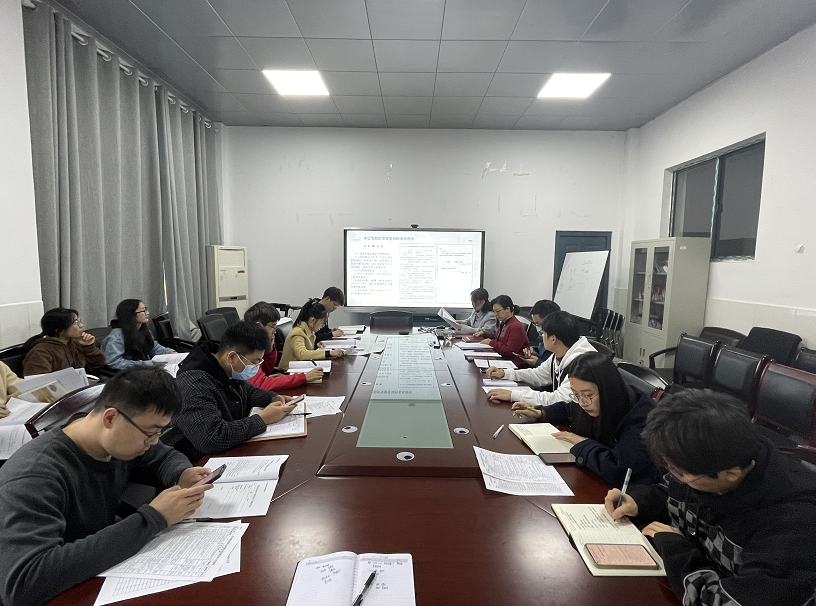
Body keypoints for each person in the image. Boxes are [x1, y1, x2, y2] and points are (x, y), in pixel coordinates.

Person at [0, 367, 214, 606]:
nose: (153, 442)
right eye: (150, 434)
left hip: (99, 574)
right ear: (110, 418)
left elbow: (164, 456)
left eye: (159, 433)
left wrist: (181, 473)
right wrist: (153, 518)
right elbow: (22, 583)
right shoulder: (34, 476)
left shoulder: (118, 438)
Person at [604, 390, 816, 606]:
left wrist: (676, 550)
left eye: (679, 472)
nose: (673, 475)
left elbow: (725, 602)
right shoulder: (706, 459)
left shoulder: (793, 526)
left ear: (731, 474)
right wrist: (639, 501)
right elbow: (671, 490)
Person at [510, 353, 660, 486]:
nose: (582, 403)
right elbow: (569, 409)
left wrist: (581, 443)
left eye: (587, 395)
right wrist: (540, 412)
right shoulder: (598, 401)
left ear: (608, 389)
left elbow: (618, 469)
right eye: (576, 395)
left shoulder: (641, 417)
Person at [162, 321, 296, 462]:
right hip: (192, 461)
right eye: (254, 362)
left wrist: (272, 398)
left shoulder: (225, 368)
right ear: (231, 356)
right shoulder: (194, 384)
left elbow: (248, 392)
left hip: (225, 452)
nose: (256, 367)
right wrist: (262, 419)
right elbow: (211, 438)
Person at [485, 311, 596, 406]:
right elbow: (538, 375)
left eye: (542, 333)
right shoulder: (561, 353)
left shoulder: (583, 363)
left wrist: (513, 395)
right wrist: (505, 373)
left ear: (553, 339)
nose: (541, 336)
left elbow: (559, 399)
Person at [244, 301, 323, 390]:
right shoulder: (246, 348)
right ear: (259, 325)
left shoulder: (258, 343)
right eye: (273, 326)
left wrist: (270, 350)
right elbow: (262, 384)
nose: (275, 331)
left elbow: (267, 371)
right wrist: (303, 377)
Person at [22, 308, 107, 377]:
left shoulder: (74, 343)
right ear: (61, 330)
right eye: (76, 322)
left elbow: (98, 366)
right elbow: (38, 383)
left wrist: (89, 348)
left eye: (79, 321)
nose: (81, 325)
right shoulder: (41, 352)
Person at [100, 299, 176, 370]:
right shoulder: (117, 335)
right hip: (122, 375)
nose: (147, 313)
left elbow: (153, 347)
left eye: (146, 309)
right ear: (130, 314)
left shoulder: (143, 330)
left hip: (140, 370)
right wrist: (144, 364)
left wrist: (171, 353)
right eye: (143, 311)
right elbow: (113, 362)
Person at [279, 299, 345, 371]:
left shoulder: (309, 330)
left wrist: (316, 345)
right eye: (322, 322)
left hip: (300, 368)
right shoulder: (298, 333)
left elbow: (306, 348)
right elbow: (302, 354)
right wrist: (329, 353)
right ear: (312, 320)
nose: (322, 326)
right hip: (288, 372)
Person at [472, 295, 529, 367]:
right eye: (494, 311)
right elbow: (498, 338)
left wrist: (491, 342)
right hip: (502, 358)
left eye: (498, 311)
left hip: (513, 363)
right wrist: (484, 334)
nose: (496, 314)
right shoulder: (504, 322)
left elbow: (509, 351)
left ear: (508, 309)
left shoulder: (516, 326)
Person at [517, 299, 560, 367]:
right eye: (535, 324)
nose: (537, 327)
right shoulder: (542, 337)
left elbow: (555, 369)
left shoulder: (560, 341)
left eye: (538, 324)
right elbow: (543, 356)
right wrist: (534, 353)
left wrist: (537, 362)